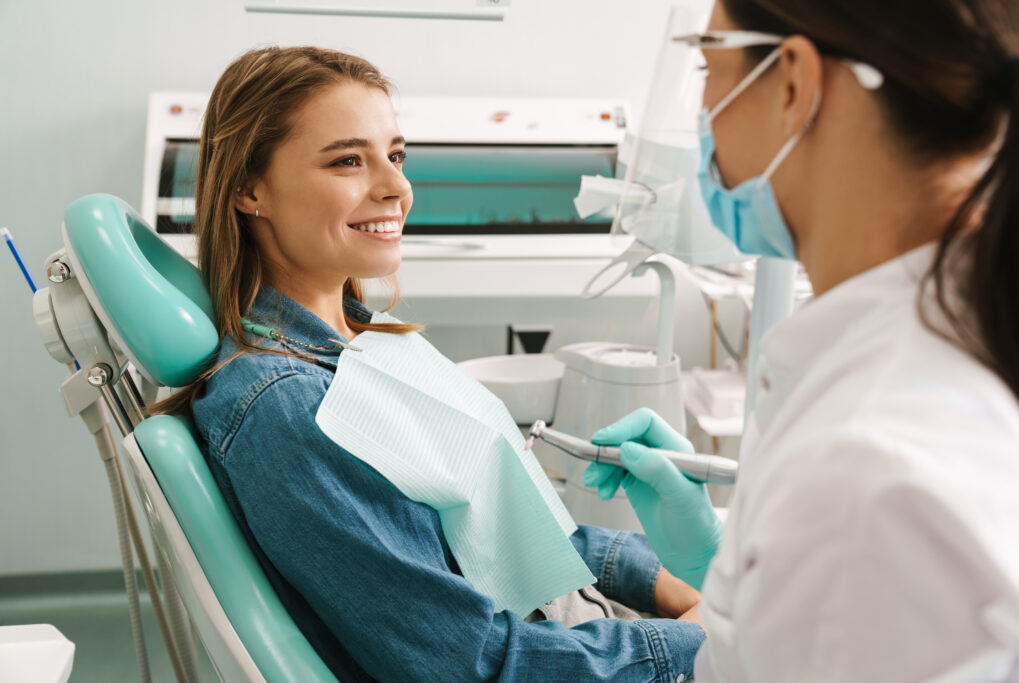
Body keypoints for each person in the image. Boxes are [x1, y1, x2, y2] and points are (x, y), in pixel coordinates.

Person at [152, 46, 707, 681]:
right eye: (348, 161)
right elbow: (474, 665)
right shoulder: (291, 407)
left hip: (578, 629)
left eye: (395, 155)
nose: (395, 188)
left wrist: (673, 586)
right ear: (250, 189)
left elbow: (508, 519)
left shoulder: (371, 342)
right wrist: (694, 642)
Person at [584, 0, 1019, 680]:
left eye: (708, 61)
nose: (703, 114)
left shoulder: (866, 474)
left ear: (792, 85)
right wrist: (723, 558)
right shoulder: (949, 340)